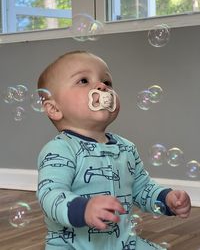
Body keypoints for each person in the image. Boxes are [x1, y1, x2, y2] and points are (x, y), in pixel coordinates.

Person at [36, 50, 191, 250]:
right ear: (54, 109)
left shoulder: (125, 147)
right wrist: (83, 208)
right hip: (73, 246)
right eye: (83, 80)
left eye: (107, 83)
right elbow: (50, 195)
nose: (101, 86)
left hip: (123, 243)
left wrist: (166, 199)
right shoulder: (60, 149)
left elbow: (142, 189)